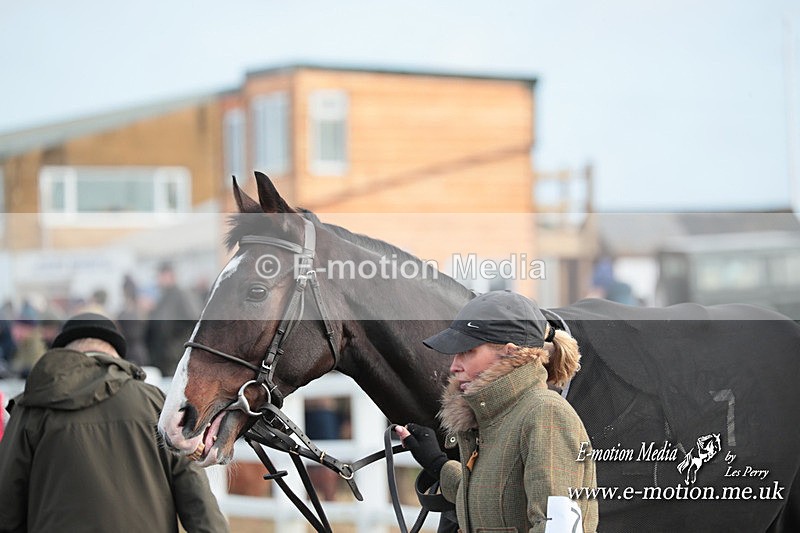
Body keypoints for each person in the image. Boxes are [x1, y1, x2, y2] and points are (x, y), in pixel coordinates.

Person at [0, 312, 229, 533]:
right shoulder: (154, 403)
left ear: (63, 352)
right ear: (116, 355)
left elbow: (7, 505)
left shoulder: (30, 407)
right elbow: (197, 498)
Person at [395, 290, 599, 533]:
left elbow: (558, 528)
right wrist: (437, 464)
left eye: (467, 351)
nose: (454, 366)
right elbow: (491, 503)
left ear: (510, 352)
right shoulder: (496, 418)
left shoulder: (546, 414)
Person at [146, 262, 201, 375]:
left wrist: (177, 343)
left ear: (170, 275)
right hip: (163, 356)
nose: (158, 280)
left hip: (176, 354)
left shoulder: (181, 295)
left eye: (161, 276)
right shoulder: (163, 296)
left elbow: (195, 320)